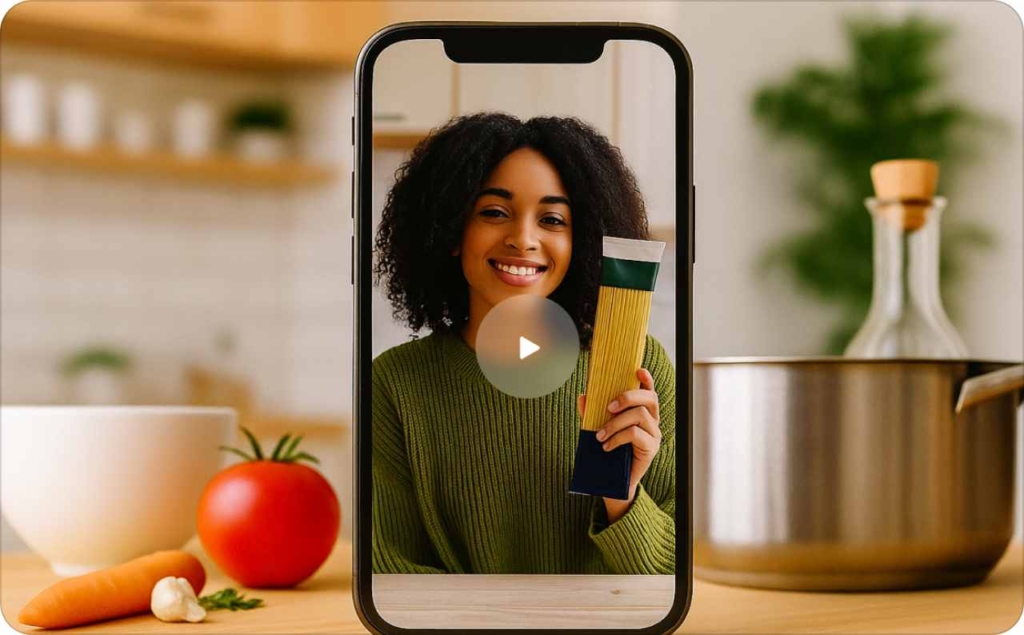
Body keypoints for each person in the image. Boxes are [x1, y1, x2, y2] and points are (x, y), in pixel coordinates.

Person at [372, 113, 675, 574]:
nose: (524, 239)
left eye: (553, 219)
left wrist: (623, 497)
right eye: (494, 212)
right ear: (452, 229)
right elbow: (390, 568)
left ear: (582, 242)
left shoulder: (640, 366)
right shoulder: (396, 383)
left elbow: (674, 573)